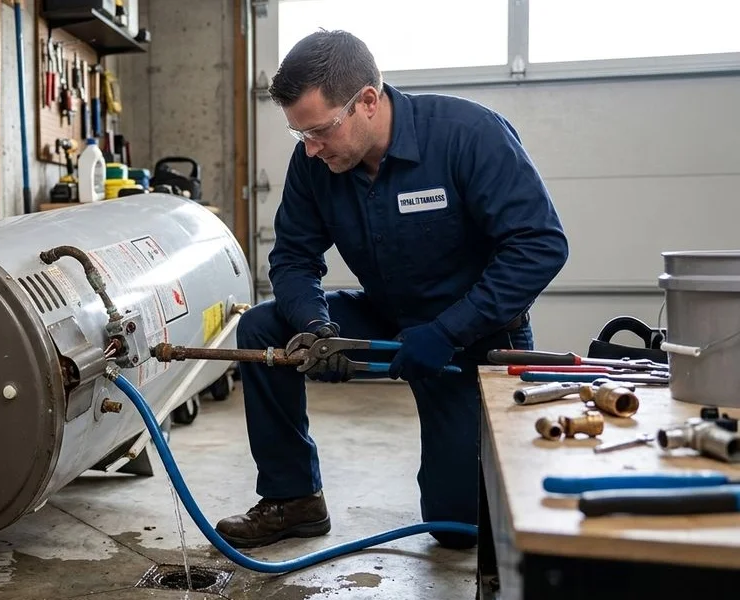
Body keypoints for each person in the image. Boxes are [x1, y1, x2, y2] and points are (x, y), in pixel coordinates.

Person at [215, 30, 569, 550]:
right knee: (263, 328)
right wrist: (317, 329)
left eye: (319, 131)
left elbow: (540, 245)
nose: (310, 149)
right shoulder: (316, 163)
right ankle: (294, 500)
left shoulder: (468, 135)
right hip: (388, 318)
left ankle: (475, 483)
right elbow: (293, 258)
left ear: (368, 101)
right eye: (299, 136)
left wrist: (449, 331)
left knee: (459, 529)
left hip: (475, 339)